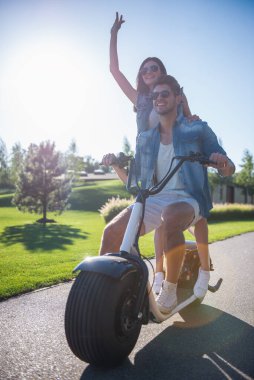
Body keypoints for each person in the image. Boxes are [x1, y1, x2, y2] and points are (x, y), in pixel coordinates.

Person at [100, 74, 235, 313]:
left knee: (171, 217)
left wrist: (221, 162)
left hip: (189, 198)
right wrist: (116, 166)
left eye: (165, 94)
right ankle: (101, 297)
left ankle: (170, 290)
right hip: (155, 197)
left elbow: (229, 169)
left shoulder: (198, 129)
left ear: (178, 98)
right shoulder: (146, 138)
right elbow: (134, 184)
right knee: (111, 232)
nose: (159, 99)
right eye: (155, 95)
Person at [110, 12, 209, 295]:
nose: (149, 71)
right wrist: (113, 34)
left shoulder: (175, 95)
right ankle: (158, 275)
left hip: (182, 164)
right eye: (144, 69)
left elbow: (191, 123)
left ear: (161, 72)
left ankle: (203, 270)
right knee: (155, 221)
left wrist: (192, 118)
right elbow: (114, 70)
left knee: (199, 219)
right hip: (152, 168)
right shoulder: (140, 100)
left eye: (154, 68)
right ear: (141, 77)